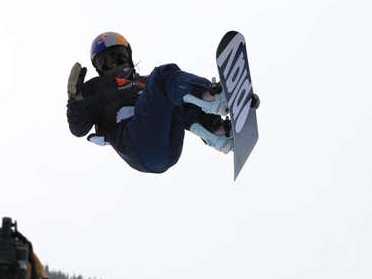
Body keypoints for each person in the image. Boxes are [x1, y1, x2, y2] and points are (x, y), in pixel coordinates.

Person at [65, 31, 260, 173]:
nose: (115, 64)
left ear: (129, 57)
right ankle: (212, 96)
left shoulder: (146, 85)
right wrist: (76, 100)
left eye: (118, 56)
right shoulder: (99, 87)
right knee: (165, 76)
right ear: (99, 69)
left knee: (175, 95)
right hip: (136, 143)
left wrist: (238, 102)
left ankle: (218, 133)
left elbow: (175, 99)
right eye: (106, 62)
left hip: (167, 152)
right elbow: (78, 129)